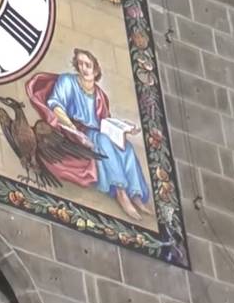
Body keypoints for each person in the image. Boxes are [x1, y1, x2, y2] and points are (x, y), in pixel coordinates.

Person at [43, 49, 153, 220]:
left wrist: (124, 129)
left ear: (95, 69)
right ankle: (120, 192)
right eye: (80, 64)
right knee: (103, 141)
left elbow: (105, 121)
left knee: (127, 148)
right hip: (75, 129)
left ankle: (136, 195)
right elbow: (55, 105)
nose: (83, 68)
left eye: (88, 65)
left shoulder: (100, 94)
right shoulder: (67, 81)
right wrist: (72, 127)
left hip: (98, 131)